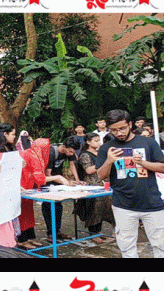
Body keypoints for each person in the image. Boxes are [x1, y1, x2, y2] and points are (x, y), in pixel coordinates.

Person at [97, 109, 164, 258]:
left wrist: (144, 163)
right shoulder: (106, 148)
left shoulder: (148, 142)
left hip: (152, 203)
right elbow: (101, 175)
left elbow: (163, 167)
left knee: (161, 245)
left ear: (130, 124)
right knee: (127, 247)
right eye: (114, 130)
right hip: (123, 205)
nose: (119, 133)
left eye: (122, 128)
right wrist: (109, 161)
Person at [18, 138, 71, 250]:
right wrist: (58, 177)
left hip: (29, 187)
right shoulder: (33, 156)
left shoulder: (34, 153)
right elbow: (40, 178)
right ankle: (22, 240)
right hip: (24, 187)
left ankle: (29, 238)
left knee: (29, 213)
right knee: (23, 214)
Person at [75, 132, 115, 244]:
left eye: (99, 140)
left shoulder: (99, 153)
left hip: (104, 184)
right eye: (96, 140)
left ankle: (99, 231)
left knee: (103, 209)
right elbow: (88, 170)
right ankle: (93, 233)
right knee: (94, 209)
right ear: (88, 142)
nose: (99, 143)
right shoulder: (84, 155)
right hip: (92, 184)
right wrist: (105, 163)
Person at [42, 135, 82, 243]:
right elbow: (48, 174)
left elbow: (72, 164)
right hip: (48, 182)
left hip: (59, 182)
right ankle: (51, 233)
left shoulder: (69, 152)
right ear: (64, 147)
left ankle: (57, 231)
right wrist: (66, 182)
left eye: (74, 152)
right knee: (49, 206)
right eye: (70, 151)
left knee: (58, 205)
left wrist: (77, 180)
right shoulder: (52, 152)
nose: (72, 154)